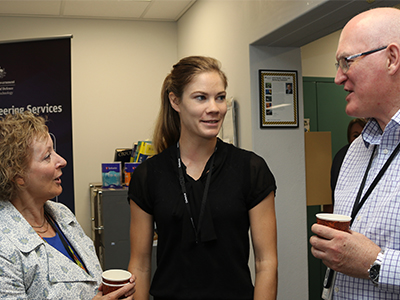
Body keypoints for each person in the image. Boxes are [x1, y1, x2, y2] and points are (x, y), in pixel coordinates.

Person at [128, 56, 278, 300]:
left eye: (220, 97)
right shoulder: (148, 176)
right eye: (201, 97)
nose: (215, 108)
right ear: (175, 101)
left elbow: (266, 262)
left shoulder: (251, 169)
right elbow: (140, 265)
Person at [310, 7, 400, 299]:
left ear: (392, 58)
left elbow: (365, 259)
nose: (338, 78)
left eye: (346, 62)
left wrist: (375, 263)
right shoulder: (352, 154)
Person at [0, 112, 136, 299]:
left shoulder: (62, 215)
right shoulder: (4, 246)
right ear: (18, 176)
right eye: (47, 156)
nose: (62, 161)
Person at [330, 118, 367, 204]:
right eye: (355, 136)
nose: (360, 139)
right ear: (349, 138)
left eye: (363, 135)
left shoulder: (376, 155)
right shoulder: (341, 157)